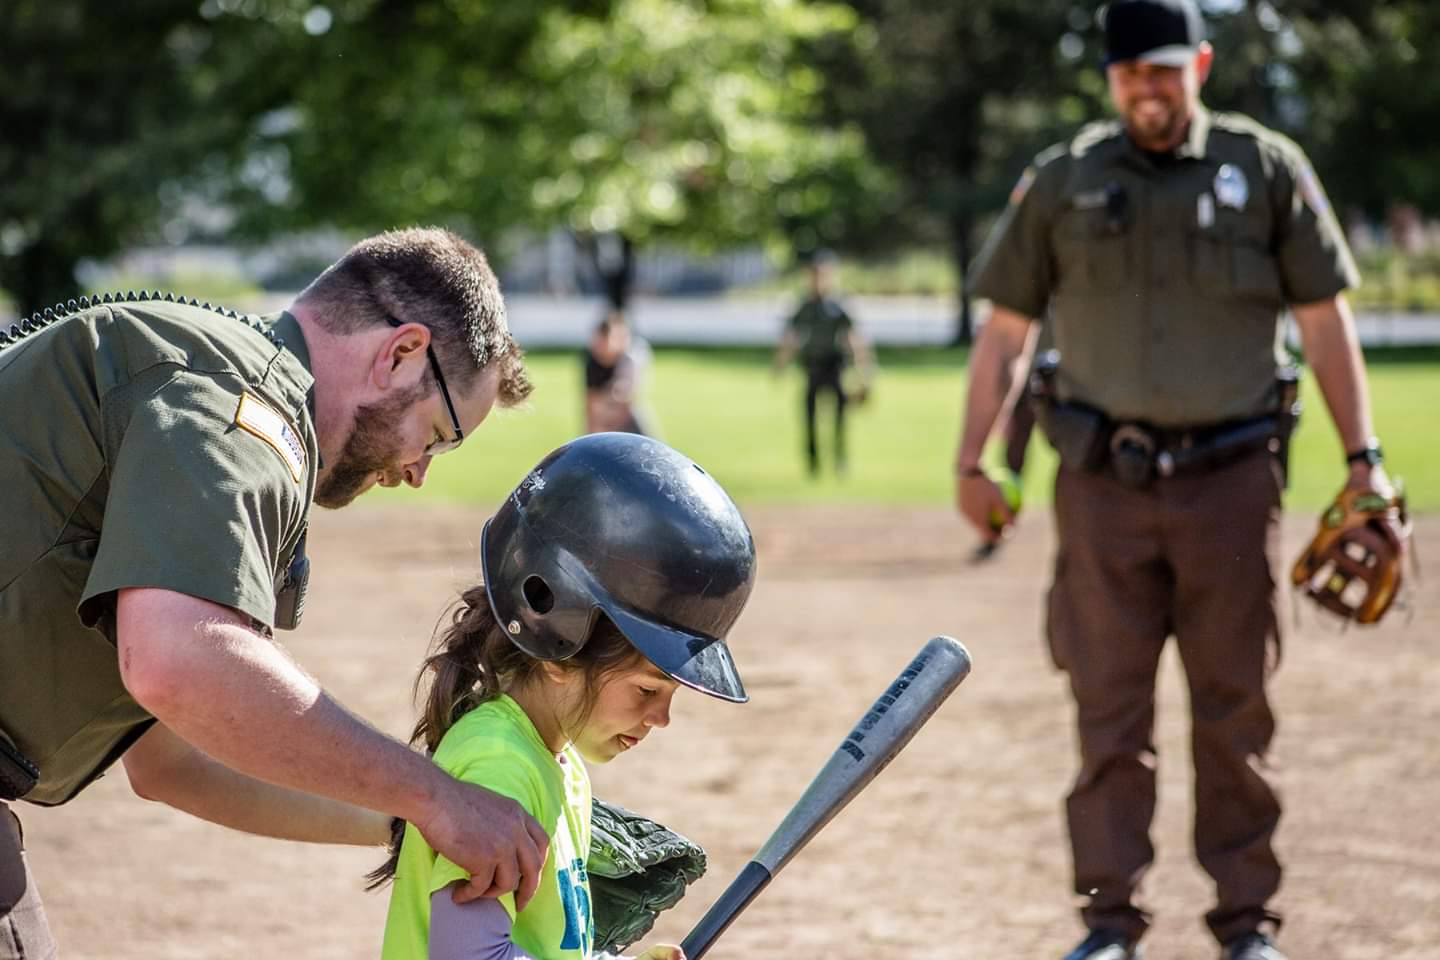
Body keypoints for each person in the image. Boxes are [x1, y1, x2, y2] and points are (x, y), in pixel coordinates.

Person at [953, 2, 1396, 959]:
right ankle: (1110, 924)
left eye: (1163, 70)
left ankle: (1248, 924)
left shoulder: (1265, 168)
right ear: (1110, 80)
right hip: (1101, 488)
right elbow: (1004, 335)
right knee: (1108, 713)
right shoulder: (1064, 181)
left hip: (1232, 485)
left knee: (1236, 710)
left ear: (1199, 63)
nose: (1147, 90)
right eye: (1129, 75)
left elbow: (1323, 320)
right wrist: (973, 457)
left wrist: (1364, 461)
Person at [0, 227, 553, 958]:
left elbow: (174, 766)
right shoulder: (243, 400)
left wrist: (409, 822)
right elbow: (178, 660)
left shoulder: (208, 374)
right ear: (400, 354)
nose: (421, 470)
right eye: (440, 434)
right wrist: (437, 795)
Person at [374, 432, 755, 960]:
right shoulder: (500, 768)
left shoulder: (557, 762)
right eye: (647, 688)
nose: (662, 717)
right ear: (559, 649)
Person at [771, 250, 874, 477]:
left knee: (839, 417)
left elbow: (854, 338)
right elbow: (791, 337)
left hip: (834, 366)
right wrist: (780, 364)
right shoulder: (804, 305)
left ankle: (839, 459)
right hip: (812, 367)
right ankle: (813, 461)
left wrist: (864, 372)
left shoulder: (838, 305)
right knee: (809, 416)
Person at [583, 310, 653, 436]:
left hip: (627, 420)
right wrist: (592, 435)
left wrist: (610, 433)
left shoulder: (628, 362)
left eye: (604, 343)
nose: (599, 348)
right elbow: (590, 402)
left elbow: (625, 404)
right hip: (603, 416)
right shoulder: (591, 363)